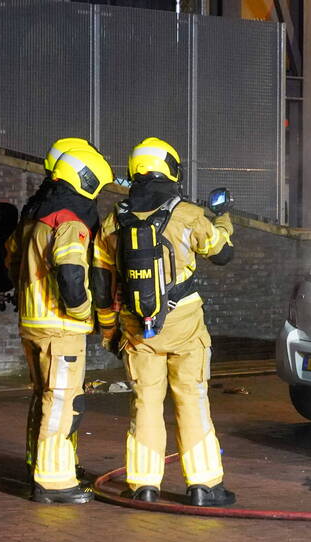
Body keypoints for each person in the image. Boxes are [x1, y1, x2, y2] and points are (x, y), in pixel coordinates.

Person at [92, 137, 237, 506]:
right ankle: (204, 486)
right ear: (171, 169)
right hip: (185, 323)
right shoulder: (188, 214)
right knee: (192, 400)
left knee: (146, 403)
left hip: (137, 326)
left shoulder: (113, 220)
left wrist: (109, 329)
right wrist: (223, 219)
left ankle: (143, 485)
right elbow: (221, 253)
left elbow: (101, 282)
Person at [8, 144, 113, 503]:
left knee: (44, 398)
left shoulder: (37, 213)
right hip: (61, 326)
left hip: (34, 320)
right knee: (64, 402)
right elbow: (70, 274)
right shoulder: (69, 219)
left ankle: (47, 464)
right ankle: (53, 481)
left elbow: (11, 263)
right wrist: (84, 312)